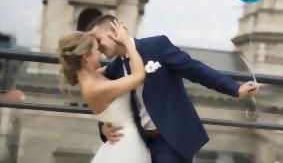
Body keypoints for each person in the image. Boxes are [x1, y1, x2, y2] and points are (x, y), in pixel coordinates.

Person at [87, 15, 259, 163]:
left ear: (116, 30)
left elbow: (195, 69)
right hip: (140, 143)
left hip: (172, 138)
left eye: (98, 39)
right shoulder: (114, 68)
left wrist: (235, 88)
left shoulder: (157, 46)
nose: (97, 46)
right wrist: (103, 127)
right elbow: (107, 101)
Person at [58, 20, 151, 163]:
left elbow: (118, 67)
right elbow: (139, 75)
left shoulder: (91, 76)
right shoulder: (95, 88)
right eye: (97, 50)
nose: (101, 52)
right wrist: (127, 42)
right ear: (85, 56)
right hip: (126, 143)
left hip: (123, 139)